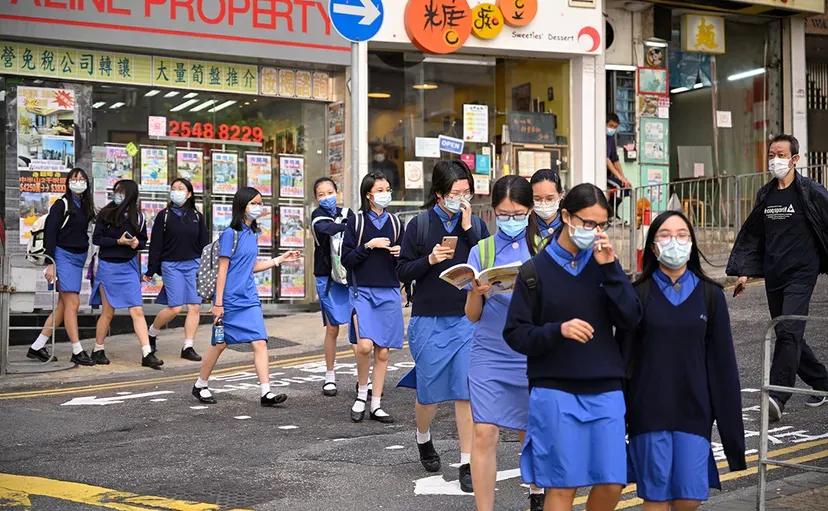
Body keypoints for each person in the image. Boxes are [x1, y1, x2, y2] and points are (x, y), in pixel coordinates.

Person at [503, 183, 641, 511]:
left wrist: (611, 268)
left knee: (612, 480)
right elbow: (516, 333)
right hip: (554, 390)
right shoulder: (534, 271)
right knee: (563, 486)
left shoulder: (604, 263)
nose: (594, 231)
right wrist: (558, 331)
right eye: (587, 223)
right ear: (566, 216)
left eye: (602, 224)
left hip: (605, 387)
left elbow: (632, 317)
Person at [628, 211, 746, 510]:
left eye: (682, 235)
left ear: (692, 244)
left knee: (689, 500)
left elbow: (723, 368)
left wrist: (734, 441)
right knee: (655, 499)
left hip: (694, 412)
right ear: (653, 247)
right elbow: (623, 361)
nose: (674, 242)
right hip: (649, 413)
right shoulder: (636, 295)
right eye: (665, 235)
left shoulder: (711, 295)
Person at [397, 159, 489, 493]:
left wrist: (468, 228)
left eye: (467, 192)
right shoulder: (419, 226)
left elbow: (487, 262)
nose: (462, 198)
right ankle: (423, 436)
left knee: (465, 393)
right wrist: (430, 261)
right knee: (430, 396)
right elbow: (402, 271)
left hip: (466, 319)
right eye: (455, 193)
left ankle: (467, 461)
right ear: (439, 194)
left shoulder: (475, 226)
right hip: (429, 319)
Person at [728, 134, 828, 422]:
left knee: (787, 331)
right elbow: (755, 236)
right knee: (789, 331)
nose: (775, 159)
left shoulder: (809, 192)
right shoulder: (766, 194)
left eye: (781, 154)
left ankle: (777, 396)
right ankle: (822, 382)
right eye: (772, 153)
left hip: (802, 273)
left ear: (795, 159)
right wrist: (745, 271)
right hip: (775, 273)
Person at [465, 176, 544, 511]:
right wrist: (475, 291)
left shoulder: (544, 247)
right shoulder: (481, 250)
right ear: (493, 212)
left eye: (517, 213)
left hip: (531, 349)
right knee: (484, 432)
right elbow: (471, 316)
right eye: (503, 213)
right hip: (490, 351)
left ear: (530, 211)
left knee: (533, 429)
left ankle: (537, 491)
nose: (510, 219)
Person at [191, 187, 301, 406]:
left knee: (260, 342)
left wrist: (280, 259)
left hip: (249, 297)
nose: (258, 207)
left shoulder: (253, 234)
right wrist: (218, 303)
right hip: (229, 298)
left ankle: (266, 393)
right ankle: (200, 384)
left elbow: (251, 266)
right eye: (254, 203)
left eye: (260, 203)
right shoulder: (230, 234)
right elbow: (222, 270)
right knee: (220, 344)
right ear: (242, 206)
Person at [341, 172, 404, 423]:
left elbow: (405, 262)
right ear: (369, 194)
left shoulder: (397, 223)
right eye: (380, 189)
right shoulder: (355, 221)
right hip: (362, 290)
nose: (385, 193)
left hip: (389, 290)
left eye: (388, 188)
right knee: (365, 345)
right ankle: (361, 393)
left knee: (383, 352)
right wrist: (368, 246)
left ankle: (376, 404)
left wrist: (401, 252)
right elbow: (346, 260)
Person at [27, 168, 96, 366]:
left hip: (78, 258)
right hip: (62, 257)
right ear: (68, 182)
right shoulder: (61, 204)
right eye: (75, 178)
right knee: (72, 304)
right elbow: (50, 233)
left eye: (82, 179)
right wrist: (51, 263)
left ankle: (37, 347)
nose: (78, 182)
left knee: (63, 306)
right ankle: (77, 349)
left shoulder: (84, 205)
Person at [89, 180, 160, 369]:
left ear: (130, 194)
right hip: (108, 267)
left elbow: (144, 241)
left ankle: (147, 353)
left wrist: (137, 243)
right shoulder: (106, 213)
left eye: (121, 192)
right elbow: (97, 239)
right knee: (108, 312)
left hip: (129, 267)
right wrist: (118, 242)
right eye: (115, 191)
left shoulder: (139, 216)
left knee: (137, 310)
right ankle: (98, 349)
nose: (117, 195)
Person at [310, 177, 354, 397]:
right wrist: (348, 225)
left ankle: (363, 378)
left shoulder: (348, 213)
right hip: (327, 278)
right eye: (321, 194)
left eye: (330, 192)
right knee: (333, 328)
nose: (326, 197)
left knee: (358, 326)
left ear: (338, 192)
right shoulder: (317, 216)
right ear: (316, 199)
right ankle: (329, 375)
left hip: (349, 277)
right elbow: (328, 229)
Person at [529, 168, 564, 252]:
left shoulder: (569, 225)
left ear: (560, 195)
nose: (543, 203)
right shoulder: (525, 227)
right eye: (537, 199)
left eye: (549, 199)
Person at [606, 113, 631, 221]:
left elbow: (615, 160)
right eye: (610, 126)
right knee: (619, 186)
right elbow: (606, 160)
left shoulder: (611, 138)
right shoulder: (602, 138)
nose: (612, 129)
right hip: (603, 174)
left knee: (626, 187)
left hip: (610, 174)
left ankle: (614, 214)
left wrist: (623, 177)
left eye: (615, 127)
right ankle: (610, 215)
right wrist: (619, 177)